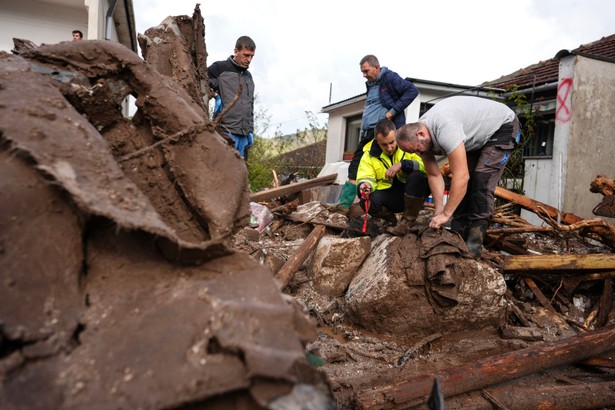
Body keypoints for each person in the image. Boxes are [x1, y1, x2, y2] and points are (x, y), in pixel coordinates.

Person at [396, 96, 521, 257]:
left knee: (481, 179)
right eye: (414, 152)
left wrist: (447, 215)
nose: (419, 154)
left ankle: (475, 242)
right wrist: (439, 209)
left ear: (421, 134)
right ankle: (458, 234)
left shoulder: (445, 128)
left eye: (417, 149)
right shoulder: (421, 136)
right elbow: (434, 175)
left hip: (503, 126)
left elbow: (461, 177)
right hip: (477, 136)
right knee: (464, 184)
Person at [337, 55, 419, 210]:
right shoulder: (371, 84)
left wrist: (392, 112)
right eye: (362, 72)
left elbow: (411, 90)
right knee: (358, 164)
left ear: (376, 67)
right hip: (370, 131)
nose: (364, 74)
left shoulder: (389, 77)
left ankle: (346, 205)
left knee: (372, 164)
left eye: (366, 70)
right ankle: (344, 205)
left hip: (384, 132)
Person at [356, 119, 428, 235]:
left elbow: (428, 168)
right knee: (365, 201)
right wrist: (365, 185)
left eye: (392, 142)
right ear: (376, 140)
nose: (389, 148)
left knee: (417, 176)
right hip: (390, 196)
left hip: (413, 191)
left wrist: (403, 165)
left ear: (396, 135)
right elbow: (365, 176)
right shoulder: (368, 155)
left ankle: (406, 224)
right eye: (384, 144)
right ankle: (392, 221)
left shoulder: (409, 142)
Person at [208, 35, 256, 160]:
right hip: (226, 131)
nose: (249, 59)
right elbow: (200, 80)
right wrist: (213, 92)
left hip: (244, 135)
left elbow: (250, 104)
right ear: (236, 51)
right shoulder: (219, 68)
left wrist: (250, 130)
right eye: (246, 55)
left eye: (252, 56)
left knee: (241, 174)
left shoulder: (248, 76)